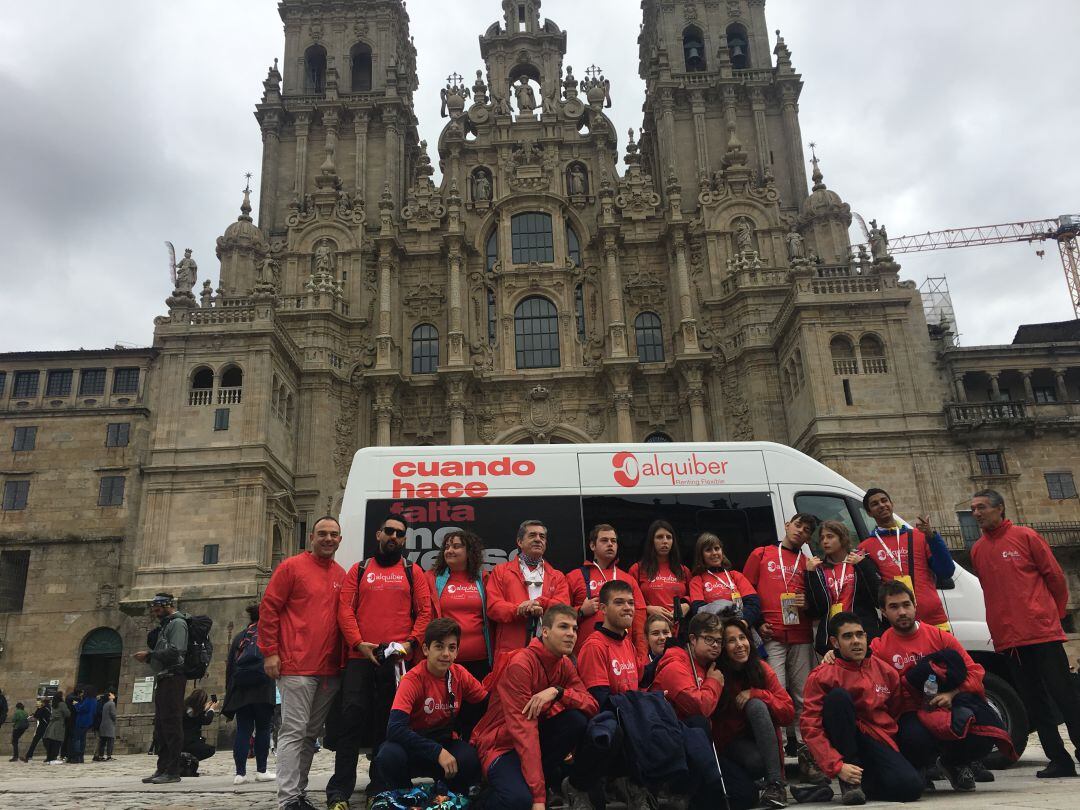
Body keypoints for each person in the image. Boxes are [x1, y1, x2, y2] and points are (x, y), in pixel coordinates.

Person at [969, 489, 1080, 778]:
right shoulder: (978, 549)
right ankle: (1058, 759)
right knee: (1035, 702)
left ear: (1000, 508)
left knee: (1065, 696)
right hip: (1009, 640)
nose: (977, 513)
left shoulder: (1026, 536)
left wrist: (1053, 614)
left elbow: (1055, 576)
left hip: (1042, 633)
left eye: (981, 507)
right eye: (973, 509)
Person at [329, 513, 433, 810]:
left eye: (400, 534)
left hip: (396, 662)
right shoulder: (359, 570)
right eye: (389, 531)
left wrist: (411, 643)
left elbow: (424, 613)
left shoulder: (413, 571)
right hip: (360, 658)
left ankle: (379, 786)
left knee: (386, 726)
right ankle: (339, 791)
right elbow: (345, 610)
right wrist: (358, 643)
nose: (394, 537)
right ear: (378, 534)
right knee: (350, 723)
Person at [871, 580, 1011, 790]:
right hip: (911, 713)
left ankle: (954, 763)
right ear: (883, 611)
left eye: (906, 604)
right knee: (913, 737)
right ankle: (921, 766)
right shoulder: (879, 647)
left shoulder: (939, 637)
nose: (902, 612)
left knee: (986, 731)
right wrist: (830, 656)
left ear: (915, 605)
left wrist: (952, 694)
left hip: (950, 705)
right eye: (894, 607)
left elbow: (975, 673)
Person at [472, 604, 599, 810]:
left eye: (574, 629)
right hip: (502, 745)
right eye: (563, 627)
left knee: (576, 720)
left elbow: (591, 705)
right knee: (519, 801)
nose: (571, 634)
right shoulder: (521, 665)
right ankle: (482, 798)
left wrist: (559, 692)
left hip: (533, 740)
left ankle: (537, 782)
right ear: (545, 631)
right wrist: (538, 798)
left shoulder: (564, 663)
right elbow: (524, 731)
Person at [259, 515, 348, 810]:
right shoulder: (291, 568)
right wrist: (270, 652)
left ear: (339, 539)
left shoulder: (340, 574)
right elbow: (269, 609)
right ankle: (287, 799)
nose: (328, 539)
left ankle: (298, 793)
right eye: (322, 533)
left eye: (333, 534)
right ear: (311, 537)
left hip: (328, 669)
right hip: (296, 665)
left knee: (310, 735)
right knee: (294, 732)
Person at [800, 612, 923, 805]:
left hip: (877, 738)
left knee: (911, 788)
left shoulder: (886, 671)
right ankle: (849, 781)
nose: (856, 641)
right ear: (835, 642)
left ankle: (864, 784)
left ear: (866, 637)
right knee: (838, 698)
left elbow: (898, 710)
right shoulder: (822, 675)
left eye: (859, 635)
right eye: (848, 636)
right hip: (844, 741)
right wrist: (837, 766)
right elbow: (811, 727)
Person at [743, 512, 821, 779]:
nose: (801, 531)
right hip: (772, 635)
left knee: (802, 697)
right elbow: (746, 593)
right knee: (775, 695)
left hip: (801, 636)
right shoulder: (762, 554)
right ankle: (776, 755)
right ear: (787, 525)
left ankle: (805, 755)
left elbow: (819, 600)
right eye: (798, 525)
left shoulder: (810, 563)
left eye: (807, 530)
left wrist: (808, 604)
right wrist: (757, 623)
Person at [370, 618, 486, 795]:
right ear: (426, 649)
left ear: (457, 652)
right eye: (439, 647)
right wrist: (437, 751)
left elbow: (487, 703)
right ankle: (404, 797)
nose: (446, 654)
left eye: (451, 648)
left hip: (445, 742)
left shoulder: (460, 674)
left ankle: (450, 795)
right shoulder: (412, 679)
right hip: (413, 747)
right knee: (388, 756)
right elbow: (394, 729)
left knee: (469, 759)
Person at [575, 580, 655, 810]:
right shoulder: (595, 645)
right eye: (619, 603)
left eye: (631, 603)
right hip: (603, 725)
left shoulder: (626, 642)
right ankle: (579, 785)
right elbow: (600, 701)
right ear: (602, 609)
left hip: (626, 714)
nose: (628, 608)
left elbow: (639, 679)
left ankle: (633, 784)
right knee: (624, 726)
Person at [715, 617, 794, 808]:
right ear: (723, 647)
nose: (740, 645)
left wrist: (757, 693)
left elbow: (788, 713)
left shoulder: (761, 669)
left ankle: (775, 784)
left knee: (756, 705)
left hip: (761, 742)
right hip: (730, 745)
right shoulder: (716, 674)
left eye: (743, 638)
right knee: (752, 771)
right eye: (731, 640)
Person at [426, 529, 491, 742]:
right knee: (448, 717)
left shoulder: (483, 578)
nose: (450, 550)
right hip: (448, 662)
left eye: (456, 546)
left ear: (469, 551)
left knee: (476, 716)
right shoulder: (432, 579)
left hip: (480, 661)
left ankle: (475, 765)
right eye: (447, 547)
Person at [858, 489, 954, 629]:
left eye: (884, 500)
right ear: (869, 513)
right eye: (875, 504)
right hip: (899, 624)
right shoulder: (865, 548)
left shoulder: (920, 536)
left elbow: (946, 571)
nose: (881, 505)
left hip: (934, 620)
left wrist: (932, 537)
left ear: (892, 504)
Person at [486, 520, 571, 659]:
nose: (538, 539)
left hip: (548, 651)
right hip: (511, 652)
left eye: (542, 537)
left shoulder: (558, 576)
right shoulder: (500, 571)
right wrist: (519, 609)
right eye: (532, 535)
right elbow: (493, 607)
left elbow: (563, 609)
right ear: (519, 542)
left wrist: (540, 603)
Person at [566, 524, 648, 660]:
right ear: (592, 546)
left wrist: (641, 658)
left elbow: (640, 624)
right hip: (585, 656)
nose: (610, 544)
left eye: (613, 541)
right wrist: (580, 611)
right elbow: (557, 616)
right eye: (604, 540)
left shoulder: (629, 579)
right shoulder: (574, 577)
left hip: (624, 658)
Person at [133, 592, 189, 783]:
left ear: (167, 605)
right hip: (164, 677)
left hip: (174, 676)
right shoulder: (166, 625)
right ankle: (162, 767)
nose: (155, 612)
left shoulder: (178, 624)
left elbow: (176, 651)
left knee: (172, 723)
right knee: (161, 725)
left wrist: (149, 656)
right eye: (153, 608)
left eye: (158, 608)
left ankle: (173, 771)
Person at [806, 521, 882, 656]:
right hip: (833, 638)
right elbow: (817, 609)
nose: (825, 541)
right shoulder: (819, 569)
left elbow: (877, 597)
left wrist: (863, 565)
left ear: (842, 538)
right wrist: (810, 575)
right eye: (822, 538)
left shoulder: (860, 561)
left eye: (830, 536)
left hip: (862, 634)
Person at [224, 602, 277, 785]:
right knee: (263, 729)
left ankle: (240, 774)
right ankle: (261, 770)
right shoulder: (269, 636)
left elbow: (230, 667)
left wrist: (229, 693)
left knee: (243, 730)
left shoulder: (240, 637)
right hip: (263, 688)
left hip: (241, 690)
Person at [687, 532, 761, 627]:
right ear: (701, 555)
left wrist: (743, 623)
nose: (714, 553)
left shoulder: (736, 575)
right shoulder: (697, 581)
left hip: (741, 626)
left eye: (717, 548)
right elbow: (700, 611)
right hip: (715, 630)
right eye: (708, 550)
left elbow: (753, 604)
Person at [629, 520, 691, 623]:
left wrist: (687, 605)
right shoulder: (637, 569)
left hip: (679, 631)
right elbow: (628, 601)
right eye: (659, 537)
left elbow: (696, 597)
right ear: (651, 541)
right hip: (650, 630)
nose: (665, 541)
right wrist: (647, 609)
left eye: (669, 537)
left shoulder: (684, 570)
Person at [182, 688, 221, 762]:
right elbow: (206, 720)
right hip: (188, 742)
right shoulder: (192, 711)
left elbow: (195, 717)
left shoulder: (187, 707)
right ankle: (189, 759)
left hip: (182, 741)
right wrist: (212, 709)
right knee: (210, 749)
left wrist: (204, 710)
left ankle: (187, 759)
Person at [68, 686, 96, 764]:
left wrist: (76, 704)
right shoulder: (94, 700)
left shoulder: (88, 700)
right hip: (89, 721)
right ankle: (81, 756)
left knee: (77, 739)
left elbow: (81, 709)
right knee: (83, 739)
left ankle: (77, 756)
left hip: (82, 721)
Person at [43, 692, 70, 765]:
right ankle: (53, 758)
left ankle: (49, 757)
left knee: (51, 741)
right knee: (57, 741)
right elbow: (67, 713)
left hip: (52, 724)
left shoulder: (53, 704)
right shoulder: (62, 704)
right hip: (59, 724)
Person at [22, 697, 51, 762]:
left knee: (38, 741)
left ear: (44, 702)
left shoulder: (44, 708)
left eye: (41, 702)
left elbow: (37, 715)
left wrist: (38, 709)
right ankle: (50, 756)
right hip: (45, 726)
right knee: (43, 742)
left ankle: (29, 756)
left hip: (43, 727)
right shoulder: (47, 708)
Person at [93, 691, 117, 762]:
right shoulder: (112, 703)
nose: (113, 695)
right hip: (109, 724)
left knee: (103, 741)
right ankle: (109, 756)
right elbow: (113, 714)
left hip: (103, 725)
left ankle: (101, 755)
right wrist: (115, 720)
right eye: (111, 694)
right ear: (109, 697)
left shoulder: (105, 704)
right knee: (110, 741)